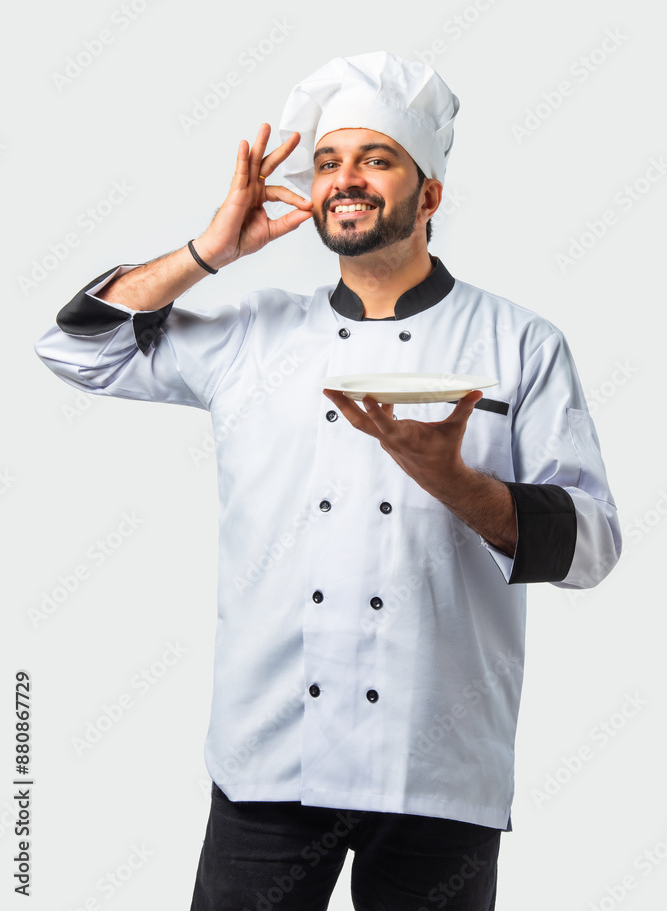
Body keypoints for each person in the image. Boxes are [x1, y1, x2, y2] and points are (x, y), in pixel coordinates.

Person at [34, 51, 621, 911]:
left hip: (438, 765)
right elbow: (76, 351)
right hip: (270, 756)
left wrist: (454, 482)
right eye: (328, 162)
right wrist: (207, 253)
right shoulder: (253, 334)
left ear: (429, 195)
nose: (345, 178)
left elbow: (592, 546)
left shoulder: (519, 342)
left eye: (376, 159)